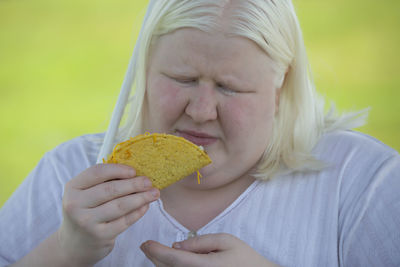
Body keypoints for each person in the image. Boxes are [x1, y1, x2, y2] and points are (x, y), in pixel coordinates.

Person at [1, 0, 399, 266]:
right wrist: (65, 250)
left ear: (280, 89)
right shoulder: (68, 176)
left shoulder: (360, 182)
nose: (201, 110)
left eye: (230, 87)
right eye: (182, 78)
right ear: (143, 70)